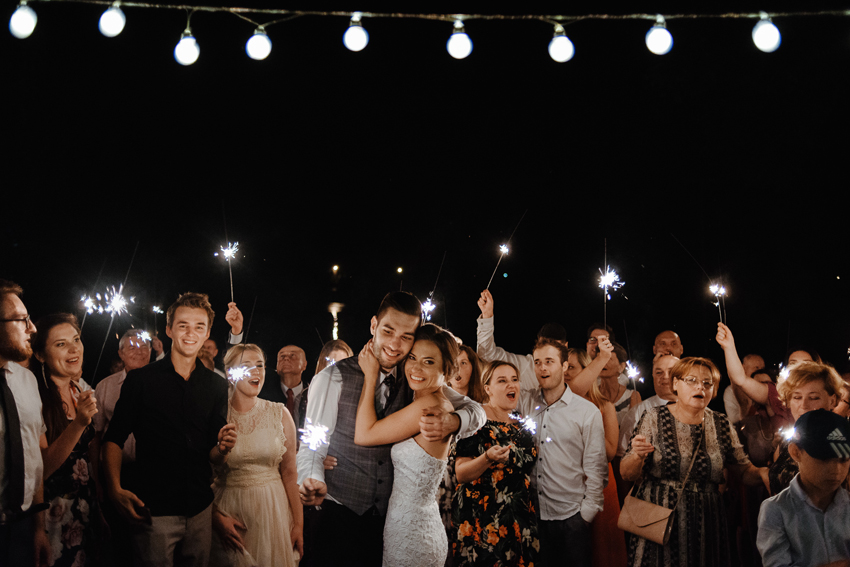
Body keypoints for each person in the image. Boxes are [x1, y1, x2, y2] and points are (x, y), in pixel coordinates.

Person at [296, 291, 485, 567]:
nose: (395, 345)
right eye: (388, 331)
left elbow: (476, 410)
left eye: (406, 337)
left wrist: (455, 421)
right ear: (374, 325)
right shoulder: (332, 377)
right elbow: (313, 445)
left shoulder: (416, 377)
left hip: (388, 525)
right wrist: (311, 477)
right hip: (340, 515)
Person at [102, 292, 237, 567]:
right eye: (183, 325)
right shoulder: (141, 380)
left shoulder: (216, 385)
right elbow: (113, 438)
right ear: (169, 329)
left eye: (199, 327)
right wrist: (114, 489)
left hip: (200, 508)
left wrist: (223, 448)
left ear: (207, 333)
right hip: (154, 509)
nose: (190, 333)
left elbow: (213, 456)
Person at [620, 356, 769, 567]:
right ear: (675, 384)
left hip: (706, 525)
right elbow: (626, 473)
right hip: (658, 521)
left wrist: (763, 473)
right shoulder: (653, 418)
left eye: (708, 383)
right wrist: (637, 456)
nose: (700, 387)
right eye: (692, 381)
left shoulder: (721, 424)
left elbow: (744, 471)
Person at [355, 323, 458, 567]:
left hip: (413, 534)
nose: (416, 368)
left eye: (428, 362)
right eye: (412, 357)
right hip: (409, 525)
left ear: (446, 370)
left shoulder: (429, 405)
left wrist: (370, 376)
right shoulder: (423, 398)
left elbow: (364, 435)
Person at [716, 323, 842, 494]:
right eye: (796, 397)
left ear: (832, 400)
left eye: (813, 398)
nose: (804, 404)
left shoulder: (839, 439)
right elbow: (740, 379)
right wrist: (729, 347)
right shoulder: (784, 438)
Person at [210, 344, 303, 567]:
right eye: (247, 366)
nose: (256, 372)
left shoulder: (280, 413)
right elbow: (202, 471)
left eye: (260, 365)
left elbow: (290, 473)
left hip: (272, 512)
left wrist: (298, 524)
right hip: (229, 511)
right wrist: (215, 517)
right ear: (231, 374)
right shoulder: (217, 415)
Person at [520, 338, 607, 567]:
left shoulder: (586, 411)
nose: (542, 368)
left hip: (571, 518)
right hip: (533, 515)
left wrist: (585, 515)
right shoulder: (525, 402)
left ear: (564, 366)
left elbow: (596, 468)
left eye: (549, 361)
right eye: (537, 362)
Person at [452, 361, 539, 567]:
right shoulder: (475, 419)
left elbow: (528, 461)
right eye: (502, 380)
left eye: (514, 379)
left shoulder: (522, 422)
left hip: (519, 515)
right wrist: (487, 458)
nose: (511, 385)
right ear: (487, 389)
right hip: (483, 515)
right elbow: (461, 473)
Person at [32, 313, 99, 567]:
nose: (73, 349)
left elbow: (89, 456)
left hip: (86, 510)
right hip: (52, 516)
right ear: (40, 355)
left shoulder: (80, 389)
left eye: (76, 339)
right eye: (61, 344)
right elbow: (42, 468)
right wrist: (79, 423)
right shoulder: (35, 397)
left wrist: (100, 507)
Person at [757, 409, 850, 567]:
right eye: (824, 459)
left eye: (843, 460)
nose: (836, 470)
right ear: (795, 452)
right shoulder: (776, 510)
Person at [0, 280, 50, 567]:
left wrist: (38, 528)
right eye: (21, 320)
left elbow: (33, 458)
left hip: (24, 526)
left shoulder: (27, 380)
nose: (32, 328)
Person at [564, 346, 626, 567]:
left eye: (572, 367)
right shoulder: (557, 405)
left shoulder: (604, 405)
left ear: (587, 370)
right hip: (566, 482)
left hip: (598, 482)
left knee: (603, 546)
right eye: (563, 366)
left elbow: (610, 452)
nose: (565, 372)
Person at [476, 289, 567, 391]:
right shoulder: (525, 366)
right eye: (543, 345)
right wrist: (487, 315)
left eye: (555, 347)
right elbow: (486, 355)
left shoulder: (575, 370)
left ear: (565, 347)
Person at [259, 345, 309, 429]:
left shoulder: (312, 394)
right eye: (282, 356)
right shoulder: (262, 392)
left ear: (304, 364)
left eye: (292, 355)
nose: (286, 359)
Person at [599, 342, 641, 425]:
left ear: (621, 367)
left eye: (608, 358)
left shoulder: (632, 396)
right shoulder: (591, 395)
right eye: (600, 358)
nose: (603, 362)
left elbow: (634, 427)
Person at [723, 354, 765, 425]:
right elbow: (734, 420)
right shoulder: (731, 391)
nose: (761, 372)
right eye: (756, 368)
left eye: (763, 369)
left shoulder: (767, 388)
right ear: (744, 368)